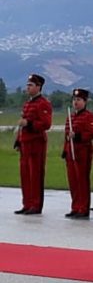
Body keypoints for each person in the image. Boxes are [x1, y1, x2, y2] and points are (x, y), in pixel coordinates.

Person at [14, 73, 52, 215]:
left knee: (35, 174)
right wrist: (18, 140)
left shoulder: (43, 103)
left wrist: (29, 124)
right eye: (27, 85)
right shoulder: (28, 103)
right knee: (25, 174)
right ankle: (27, 203)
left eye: (30, 85)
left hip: (36, 143)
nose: (27, 88)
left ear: (38, 87)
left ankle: (35, 205)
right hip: (26, 144)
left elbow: (46, 124)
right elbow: (22, 124)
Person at [62, 89, 93, 218]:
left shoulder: (88, 116)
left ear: (85, 101)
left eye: (78, 100)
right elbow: (66, 135)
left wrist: (77, 136)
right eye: (74, 100)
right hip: (70, 153)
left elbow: (92, 133)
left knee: (82, 181)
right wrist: (64, 150)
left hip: (82, 153)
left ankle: (83, 208)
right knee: (73, 182)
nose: (75, 102)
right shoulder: (70, 117)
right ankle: (75, 207)